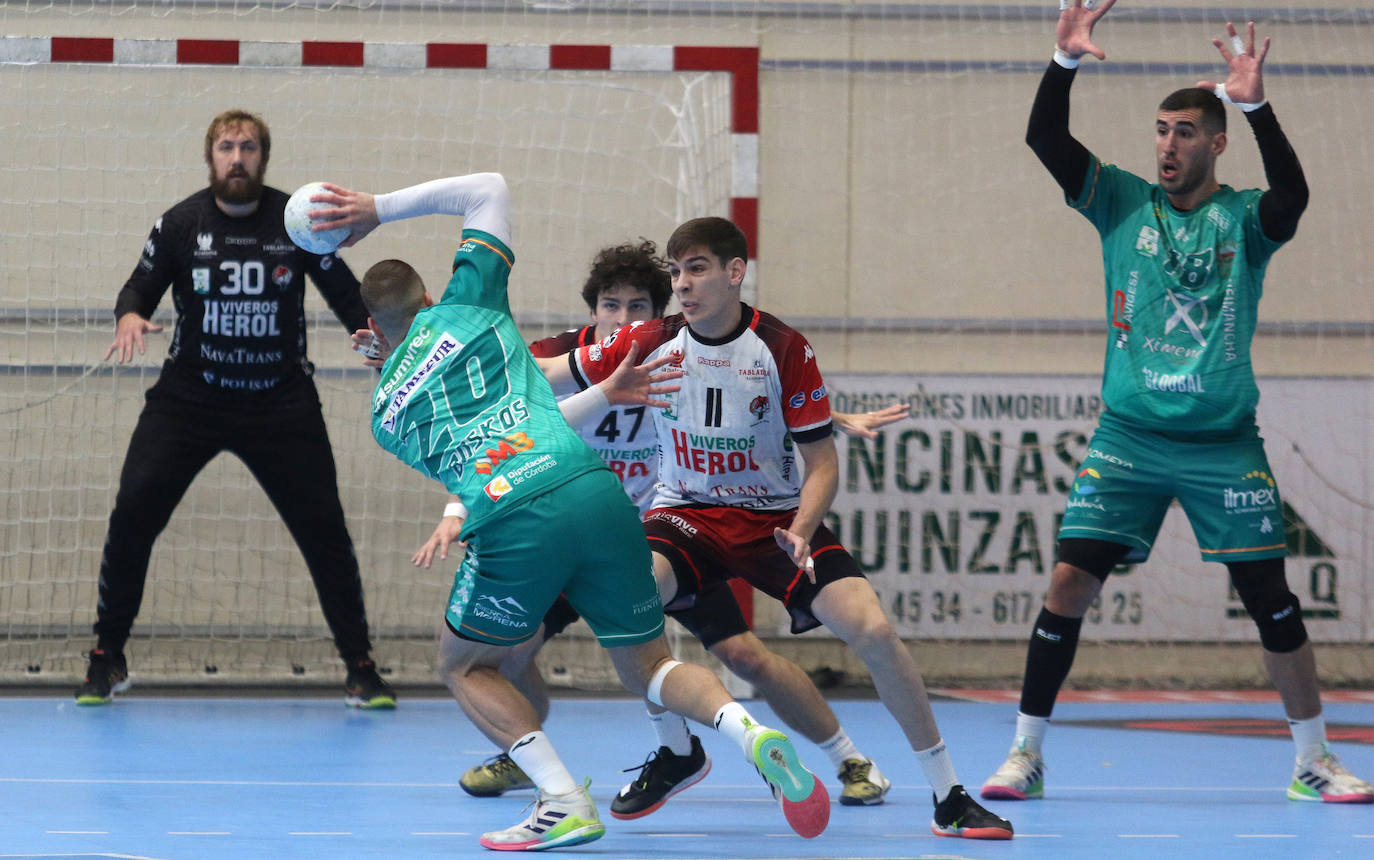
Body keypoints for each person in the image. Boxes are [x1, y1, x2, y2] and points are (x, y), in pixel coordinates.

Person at [315, 171, 831, 849]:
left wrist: (392, 363)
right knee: (648, 666)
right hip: (598, 492)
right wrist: (374, 210)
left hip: (514, 517)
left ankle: (560, 799)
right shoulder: (475, 309)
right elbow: (489, 188)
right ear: (432, 297)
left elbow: (442, 403)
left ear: (373, 331)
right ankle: (748, 731)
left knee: (466, 665)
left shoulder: (385, 412)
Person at [980, 2, 1373, 805]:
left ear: (1215, 142)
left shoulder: (1244, 219)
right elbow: (1046, 142)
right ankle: (1026, 754)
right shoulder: (1121, 203)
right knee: (1067, 586)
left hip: (1222, 441)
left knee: (1271, 600)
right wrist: (1063, 63)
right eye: (1161, 130)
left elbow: (1294, 195)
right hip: (1128, 436)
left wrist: (1257, 104)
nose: (1167, 145)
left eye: (1185, 132)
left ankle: (1312, 760)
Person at [544, 216, 1013, 840]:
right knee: (628, 602)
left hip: (774, 519)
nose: (683, 284)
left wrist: (802, 526)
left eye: (698, 268)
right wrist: (453, 345)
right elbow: (542, 371)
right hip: (684, 513)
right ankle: (678, 748)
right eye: (678, 271)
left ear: (736, 272)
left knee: (873, 630)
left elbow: (821, 463)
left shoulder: (785, 348)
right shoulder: (647, 338)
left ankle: (948, 794)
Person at [445, 240, 907, 814]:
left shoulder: (673, 347)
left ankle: (848, 758)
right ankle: (527, 752)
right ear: (593, 312)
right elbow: (491, 384)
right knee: (508, 653)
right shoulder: (564, 359)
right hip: (579, 538)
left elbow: (757, 391)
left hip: (673, 533)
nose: (623, 318)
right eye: (610, 305)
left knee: (744, 656)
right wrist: (404, 355)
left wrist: (831, 416)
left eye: (638, 306)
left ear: (659, 312)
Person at [78, 109, 394, 709]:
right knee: (133, 515)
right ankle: (105, 657)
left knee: (325, 532)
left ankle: (362, 667)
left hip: (280, 402)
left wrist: (379, 345)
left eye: (248, 147)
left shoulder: (296, 222)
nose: (238, 157)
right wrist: (128, 316)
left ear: (263, 158)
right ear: (211, 157)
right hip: (188, 399)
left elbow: (350, 297)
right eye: (227, 147)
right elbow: (138, 288)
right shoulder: (180, 223)